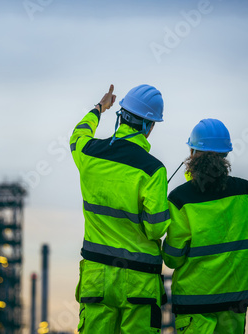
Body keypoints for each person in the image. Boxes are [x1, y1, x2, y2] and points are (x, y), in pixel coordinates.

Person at [163, 118, 248, 333]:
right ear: (225, 155)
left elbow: (172, 258)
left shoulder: (180, 199)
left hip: (193, 307)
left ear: (192, 153)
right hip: (233, 305)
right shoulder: (247, 193)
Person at [70, 84, 171, 333]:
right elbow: (156, 229)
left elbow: (77, 136)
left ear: (121, 115)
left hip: (97, 277)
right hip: (139, 280)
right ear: (150, 126)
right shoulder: (153, 170)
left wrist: (99, 108)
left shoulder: (89, 153)